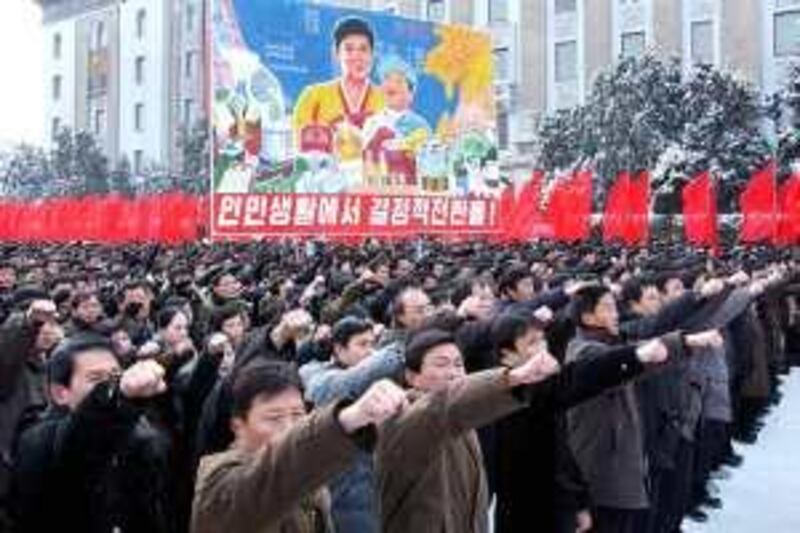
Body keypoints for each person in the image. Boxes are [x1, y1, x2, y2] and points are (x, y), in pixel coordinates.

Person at [564, 285, 724, 533]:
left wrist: (688, 342)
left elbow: (643, 352)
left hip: (619, 468)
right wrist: (645, 354)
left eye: (614, 306)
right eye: (607, 308)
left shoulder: (611, 343)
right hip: (602, 475)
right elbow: (621, 360)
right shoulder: (584, 350)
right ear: (587, 317)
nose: (615, 313)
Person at [375, 327, 566, 533]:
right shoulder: (400, 419)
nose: (454, 372)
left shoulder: (464, 417)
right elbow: (440, 406)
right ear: (412, 376)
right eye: (441, 364)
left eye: (459, 364)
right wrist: (513, 378)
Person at [191, 360, 407, 533]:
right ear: (238, 426)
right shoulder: (219, 486)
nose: (289, 427)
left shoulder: (309, 480)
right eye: (273, 418)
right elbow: (269, 479)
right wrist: (348, 419)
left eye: (297, 414)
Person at [11, 334, 174, 533]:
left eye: (115, 376)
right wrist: (116, 397)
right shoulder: (39, 440)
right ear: (60, 392)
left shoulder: (137, 434)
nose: (110, 385)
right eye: (96, 379)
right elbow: (80, 440)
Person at [300, 317, 405, 533]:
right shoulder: (319, 377)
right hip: (345, 499)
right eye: (362, 344)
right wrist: (404, 342)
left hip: (378, 492)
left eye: (372, 343)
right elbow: (349, 381)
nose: (370, 352)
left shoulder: (376, 378)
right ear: (339, 349)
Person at [293, 17, 385, 159]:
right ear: (336, 53)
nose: (357, 56)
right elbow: (298, 150)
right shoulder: (313, 96)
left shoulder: (386, 100)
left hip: (371, 178)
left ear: (372, 55)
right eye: (349, 49)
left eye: (363, 49)